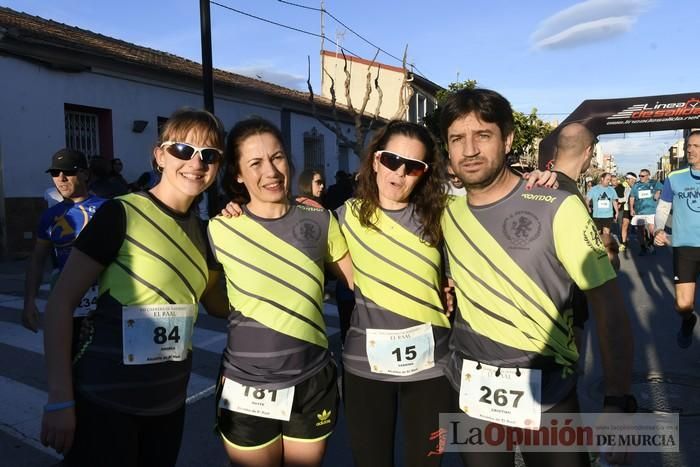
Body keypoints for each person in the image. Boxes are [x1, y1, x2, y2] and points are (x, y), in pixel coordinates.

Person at [439, 88, 634, 467]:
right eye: (457, 139)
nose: (469, 150)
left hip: (549, 391)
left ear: (508, 139)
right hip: (472, 390)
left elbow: (609, 309)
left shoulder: (557, 206)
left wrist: (617, 402)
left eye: (483, 135)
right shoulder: (445, 213)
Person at [40, 108, 229, 466]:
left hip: (169, 407)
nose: (196, 162)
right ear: (159, 155)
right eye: (183, 150)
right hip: (104, 401)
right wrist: (60, 399)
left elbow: (219, 306)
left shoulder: (206, 233)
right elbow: (61, 303)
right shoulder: (120, 213)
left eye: (209, 155)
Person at [209, 117, 353, 467]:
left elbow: (356, 281)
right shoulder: (220, 228)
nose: (271, 171)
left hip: (311, 378)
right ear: (238, 174)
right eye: (255, 163)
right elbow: (213, 304)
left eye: (277, 158)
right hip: (247, 384)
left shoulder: (319, 218)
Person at [338, 120, 453, 466]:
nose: (399, 173)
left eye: (413, 166)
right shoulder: (342, 218)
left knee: (428, 462)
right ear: (375, 160)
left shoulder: (443, 216)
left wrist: (543, 181)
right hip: (365, 367)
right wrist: (235, 207)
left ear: (424, 173)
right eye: (391, 160)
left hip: (432, 367)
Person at [22, 149, 105, 334]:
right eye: (55, 173)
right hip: (67, 301)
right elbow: (37, 260)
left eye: (68, 171)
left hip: (106, 301)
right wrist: (29, 302)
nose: (61, 178)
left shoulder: (109, 208)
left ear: (85, 174)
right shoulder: (50, 216)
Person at [654, 130, 700, 348]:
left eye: (696, 146)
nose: (690, 150)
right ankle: (688, 321)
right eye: (689, 146)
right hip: (685, 248)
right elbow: (663, 208)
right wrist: (658, 230)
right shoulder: (674, 178)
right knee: (683, 305)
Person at [629, 168, 663, 255]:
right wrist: (632, 209)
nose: (640, 177)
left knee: (652, 230)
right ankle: (642, 247)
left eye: (642, 176)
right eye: (639, 176)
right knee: (640, 231)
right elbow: (632, 197)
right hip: (639, 211)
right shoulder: (636, 185)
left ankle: (651, 244)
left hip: (651, 210)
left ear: (648, 176)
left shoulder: (654, 183)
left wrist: (658, 193)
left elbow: (661, 189)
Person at [620, 172, 637, 251]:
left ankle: (646, 241)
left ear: (633, 179)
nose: (626, 180)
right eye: (626, 179)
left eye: (628, 179)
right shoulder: (626, 188)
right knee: (624, 225)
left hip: (636, 209)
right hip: (627, 209)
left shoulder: (637, 187)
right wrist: (617, 200)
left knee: (640, 228)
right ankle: (623, 243)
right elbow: (625, 198)